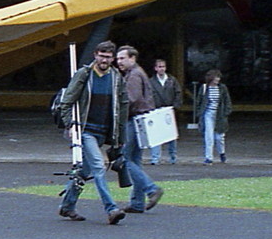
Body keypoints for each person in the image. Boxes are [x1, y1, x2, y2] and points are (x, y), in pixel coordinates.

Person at [55, 42, 126, 224]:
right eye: (102, 55)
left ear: (113, 58)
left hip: (104, 132)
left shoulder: (116, 77)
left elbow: (122, 107)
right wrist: (70, 125)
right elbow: (67, 101)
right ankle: (111, 209)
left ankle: (67, 206)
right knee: (98, 167)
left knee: (85, 171)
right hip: (86, 130)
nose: (104, 59)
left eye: (108, 57)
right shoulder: (84, 74)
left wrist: (120, 138)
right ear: (95, 55)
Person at [116, 46, 163, 214]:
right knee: (135, 161)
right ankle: (137, 202)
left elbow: (130, 100)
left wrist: (116, 115)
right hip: (140, 120)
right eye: (118, 58)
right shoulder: (136, 73)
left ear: (133, 58)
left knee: (124, 159)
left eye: (122, 58)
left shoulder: (134, 75)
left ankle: (151, 189)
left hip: (133, 120)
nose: (118, 62)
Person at [147, 58, 182, 165]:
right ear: (155, 68)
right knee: (155, 136)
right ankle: (155, 158)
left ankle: (173, 157)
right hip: (156, 111)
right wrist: (151, 108)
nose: (161, 69)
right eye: (159, 67)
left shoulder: (172, 80)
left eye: (163, 66)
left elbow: (178, 93)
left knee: (172, 135)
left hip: (169, 111)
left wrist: (175, 107)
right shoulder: (151, 82)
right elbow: (147, 96)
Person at [195, 70, 232, 164]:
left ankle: (222, 153)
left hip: (219, 114)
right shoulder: (204, 88)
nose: (218, 79)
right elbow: (198, 102)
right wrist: (200, 113)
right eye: (216, 77)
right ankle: (209, 157)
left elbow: (227, 101)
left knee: (219, 137)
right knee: (209, 136)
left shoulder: (222, 88)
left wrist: (226, 112)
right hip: (208, 114)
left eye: (218, 78)